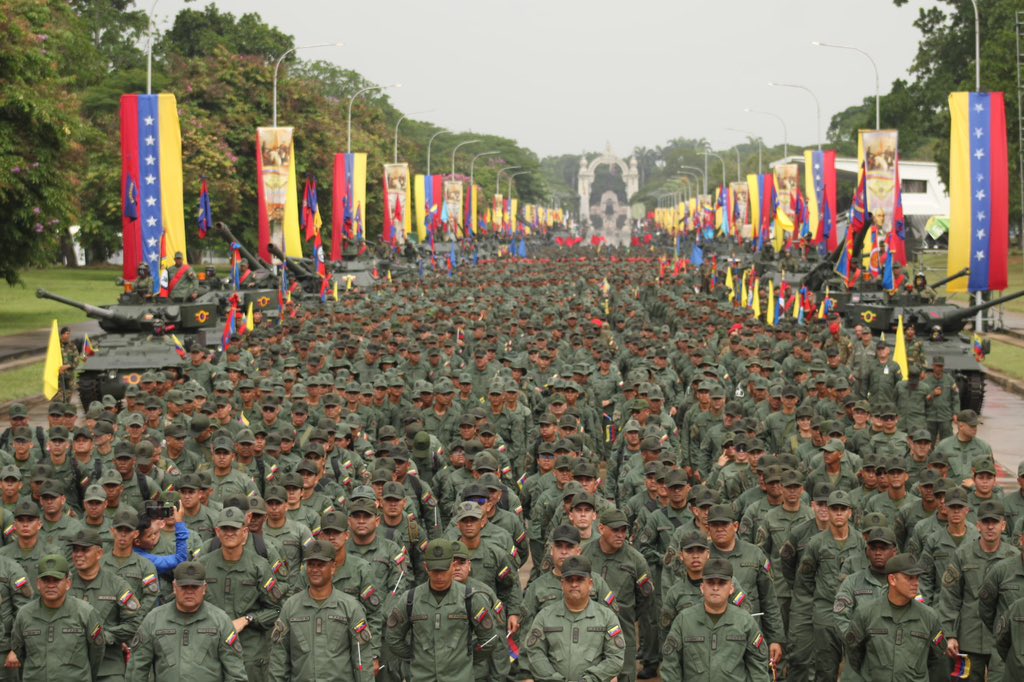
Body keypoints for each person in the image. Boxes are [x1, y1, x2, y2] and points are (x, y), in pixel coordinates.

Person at [382, 538, 499, 682]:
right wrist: (415, 657)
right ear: (426, 567)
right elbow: (393, 638)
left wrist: (465, 657)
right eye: (434, 570)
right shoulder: (410, 599)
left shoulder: (470, 598)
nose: (439, 576)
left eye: (443, 570)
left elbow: (490, 638)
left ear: (453, 565)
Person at [269, 538, 374, 682]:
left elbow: (362, 659)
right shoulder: (291, 606)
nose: (315, 570)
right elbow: (279, 660)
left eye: (321, 565)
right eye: (311, 565)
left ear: (332, 568)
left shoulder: (350, 607)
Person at [126, 561, 247, 682]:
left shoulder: (221, 620)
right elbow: (137, 669)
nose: (189, 591)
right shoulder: (154, 620)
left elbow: (235, 672)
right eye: (184, 586)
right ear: (174, 587)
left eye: (195, 587)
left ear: (204, 588)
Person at [659, 557, 770, 681]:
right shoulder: (684, 621)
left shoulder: (745, 622)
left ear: (731, 588)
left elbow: (758, 668)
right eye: (710, 582)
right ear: (702, 587)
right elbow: (670, 668)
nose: (716, 588)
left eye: (722, 583)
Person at [844, 553, 946, 681]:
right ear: (892, 579)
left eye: (917, 578)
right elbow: (854, 654)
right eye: (909, 578)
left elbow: (938, 658)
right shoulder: (865, 613)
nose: (916, 583)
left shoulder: (929, 617)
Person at [523, 555, 625, 682]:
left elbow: (615, 658)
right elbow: (535, 652)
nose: (574, 584)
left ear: (590, 584)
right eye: (569, 580)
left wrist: (590, 680)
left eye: (580, 579)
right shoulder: (545, 616)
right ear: (562, 584)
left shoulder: (607, 617)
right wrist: (554, 679)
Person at [7, 554, 106, 680]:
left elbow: (96, 653)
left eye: (56, 580)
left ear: (68, 583)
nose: (51, 585)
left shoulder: (86, 613)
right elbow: (19, 653)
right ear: (38, 583)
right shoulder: (24, 614)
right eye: (46, 580)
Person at [67, 527, 145, 681]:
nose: (78, 555)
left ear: (99, 554)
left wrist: (106, 636)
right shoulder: (64, 583)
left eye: (85, 550)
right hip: (70, 664)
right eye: (75, 550)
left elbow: (135, 622)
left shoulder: (116, 585)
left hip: (108, 665)